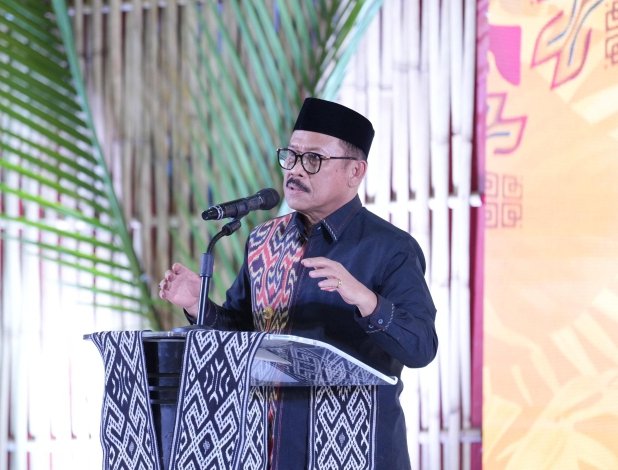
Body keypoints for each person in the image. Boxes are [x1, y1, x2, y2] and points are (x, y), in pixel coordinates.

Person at [159, 97, 438, 469]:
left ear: (355, 172)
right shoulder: (262, 241)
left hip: (358, 452)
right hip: (269, 451)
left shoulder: (390, 248)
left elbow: (421, 347)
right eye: (290, 156)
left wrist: (366, 300)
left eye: (313, 159)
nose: (295, 170)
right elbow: (240, 337)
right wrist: (199, 305)